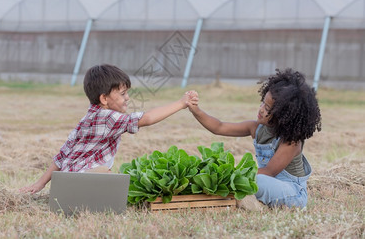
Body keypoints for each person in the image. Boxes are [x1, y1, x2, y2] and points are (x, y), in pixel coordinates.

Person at [20, 64, 194, 194]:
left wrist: (40, 184)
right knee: (107, 174)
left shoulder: (88, 118)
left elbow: (62, 155)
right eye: (122, 93)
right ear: (104, 99)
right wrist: (181, 103)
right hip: (77, 184)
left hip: (65, 183)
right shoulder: (108, 118)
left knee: (109, 173)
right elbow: (147, 118)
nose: (127, 98)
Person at [187, 68, 321, 208]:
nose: (261, 109)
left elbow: (269, 172)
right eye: (263, 102)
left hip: (292, 194)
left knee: (258, 180)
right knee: (253, 181)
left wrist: (231, 175)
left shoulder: (291, 142)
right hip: (269, 185)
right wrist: (196, 110)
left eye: (268, 108)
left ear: (284, 116)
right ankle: (257, 203)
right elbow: (219, 127)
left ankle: (255, 203)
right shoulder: (256, 128)